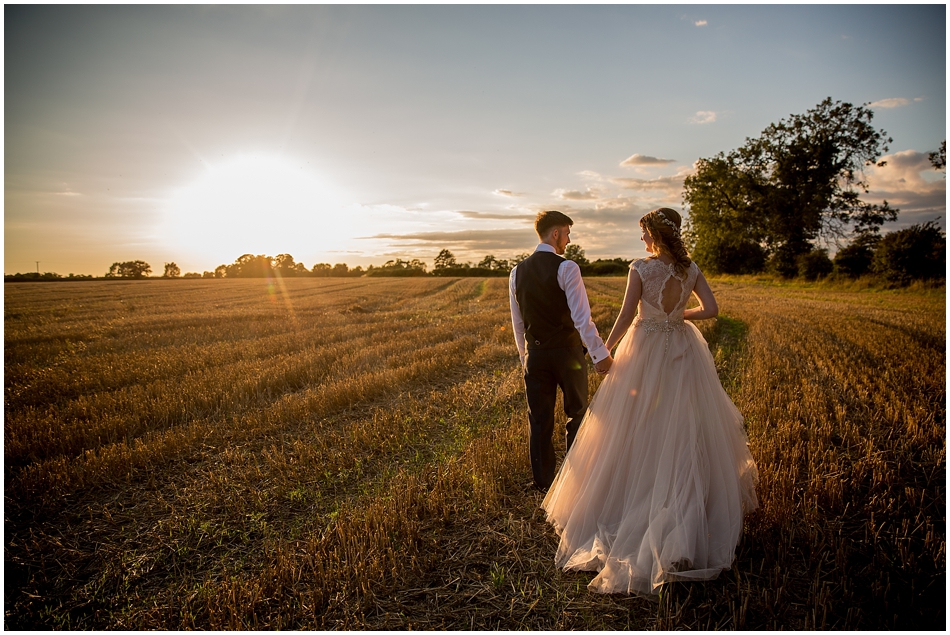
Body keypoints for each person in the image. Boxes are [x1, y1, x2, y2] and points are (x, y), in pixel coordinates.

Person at [541, 207, 758, 596]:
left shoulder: (640, 268)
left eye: (643, 233)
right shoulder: (690, 269)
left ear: (654, 234)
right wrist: (678, 316)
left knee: (633, 426)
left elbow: (626, 315)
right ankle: (692, 514)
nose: (641, 240)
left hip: (643, 348)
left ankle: (629, 506)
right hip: (681, 347)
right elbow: (712, 309)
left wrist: (605, 352)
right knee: (685, 426)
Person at [509, 211, 613, 492]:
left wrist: (525, 358)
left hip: (536, 356)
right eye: (567, 233)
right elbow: (582, 319)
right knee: (577, 414)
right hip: (568, 355)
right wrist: (599, 354)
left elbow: (518, 323)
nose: (568, 239)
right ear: (556, 233)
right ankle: (575, 480)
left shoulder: (516, 272)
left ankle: (542, 482)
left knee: (539, 419)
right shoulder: (567, 268)